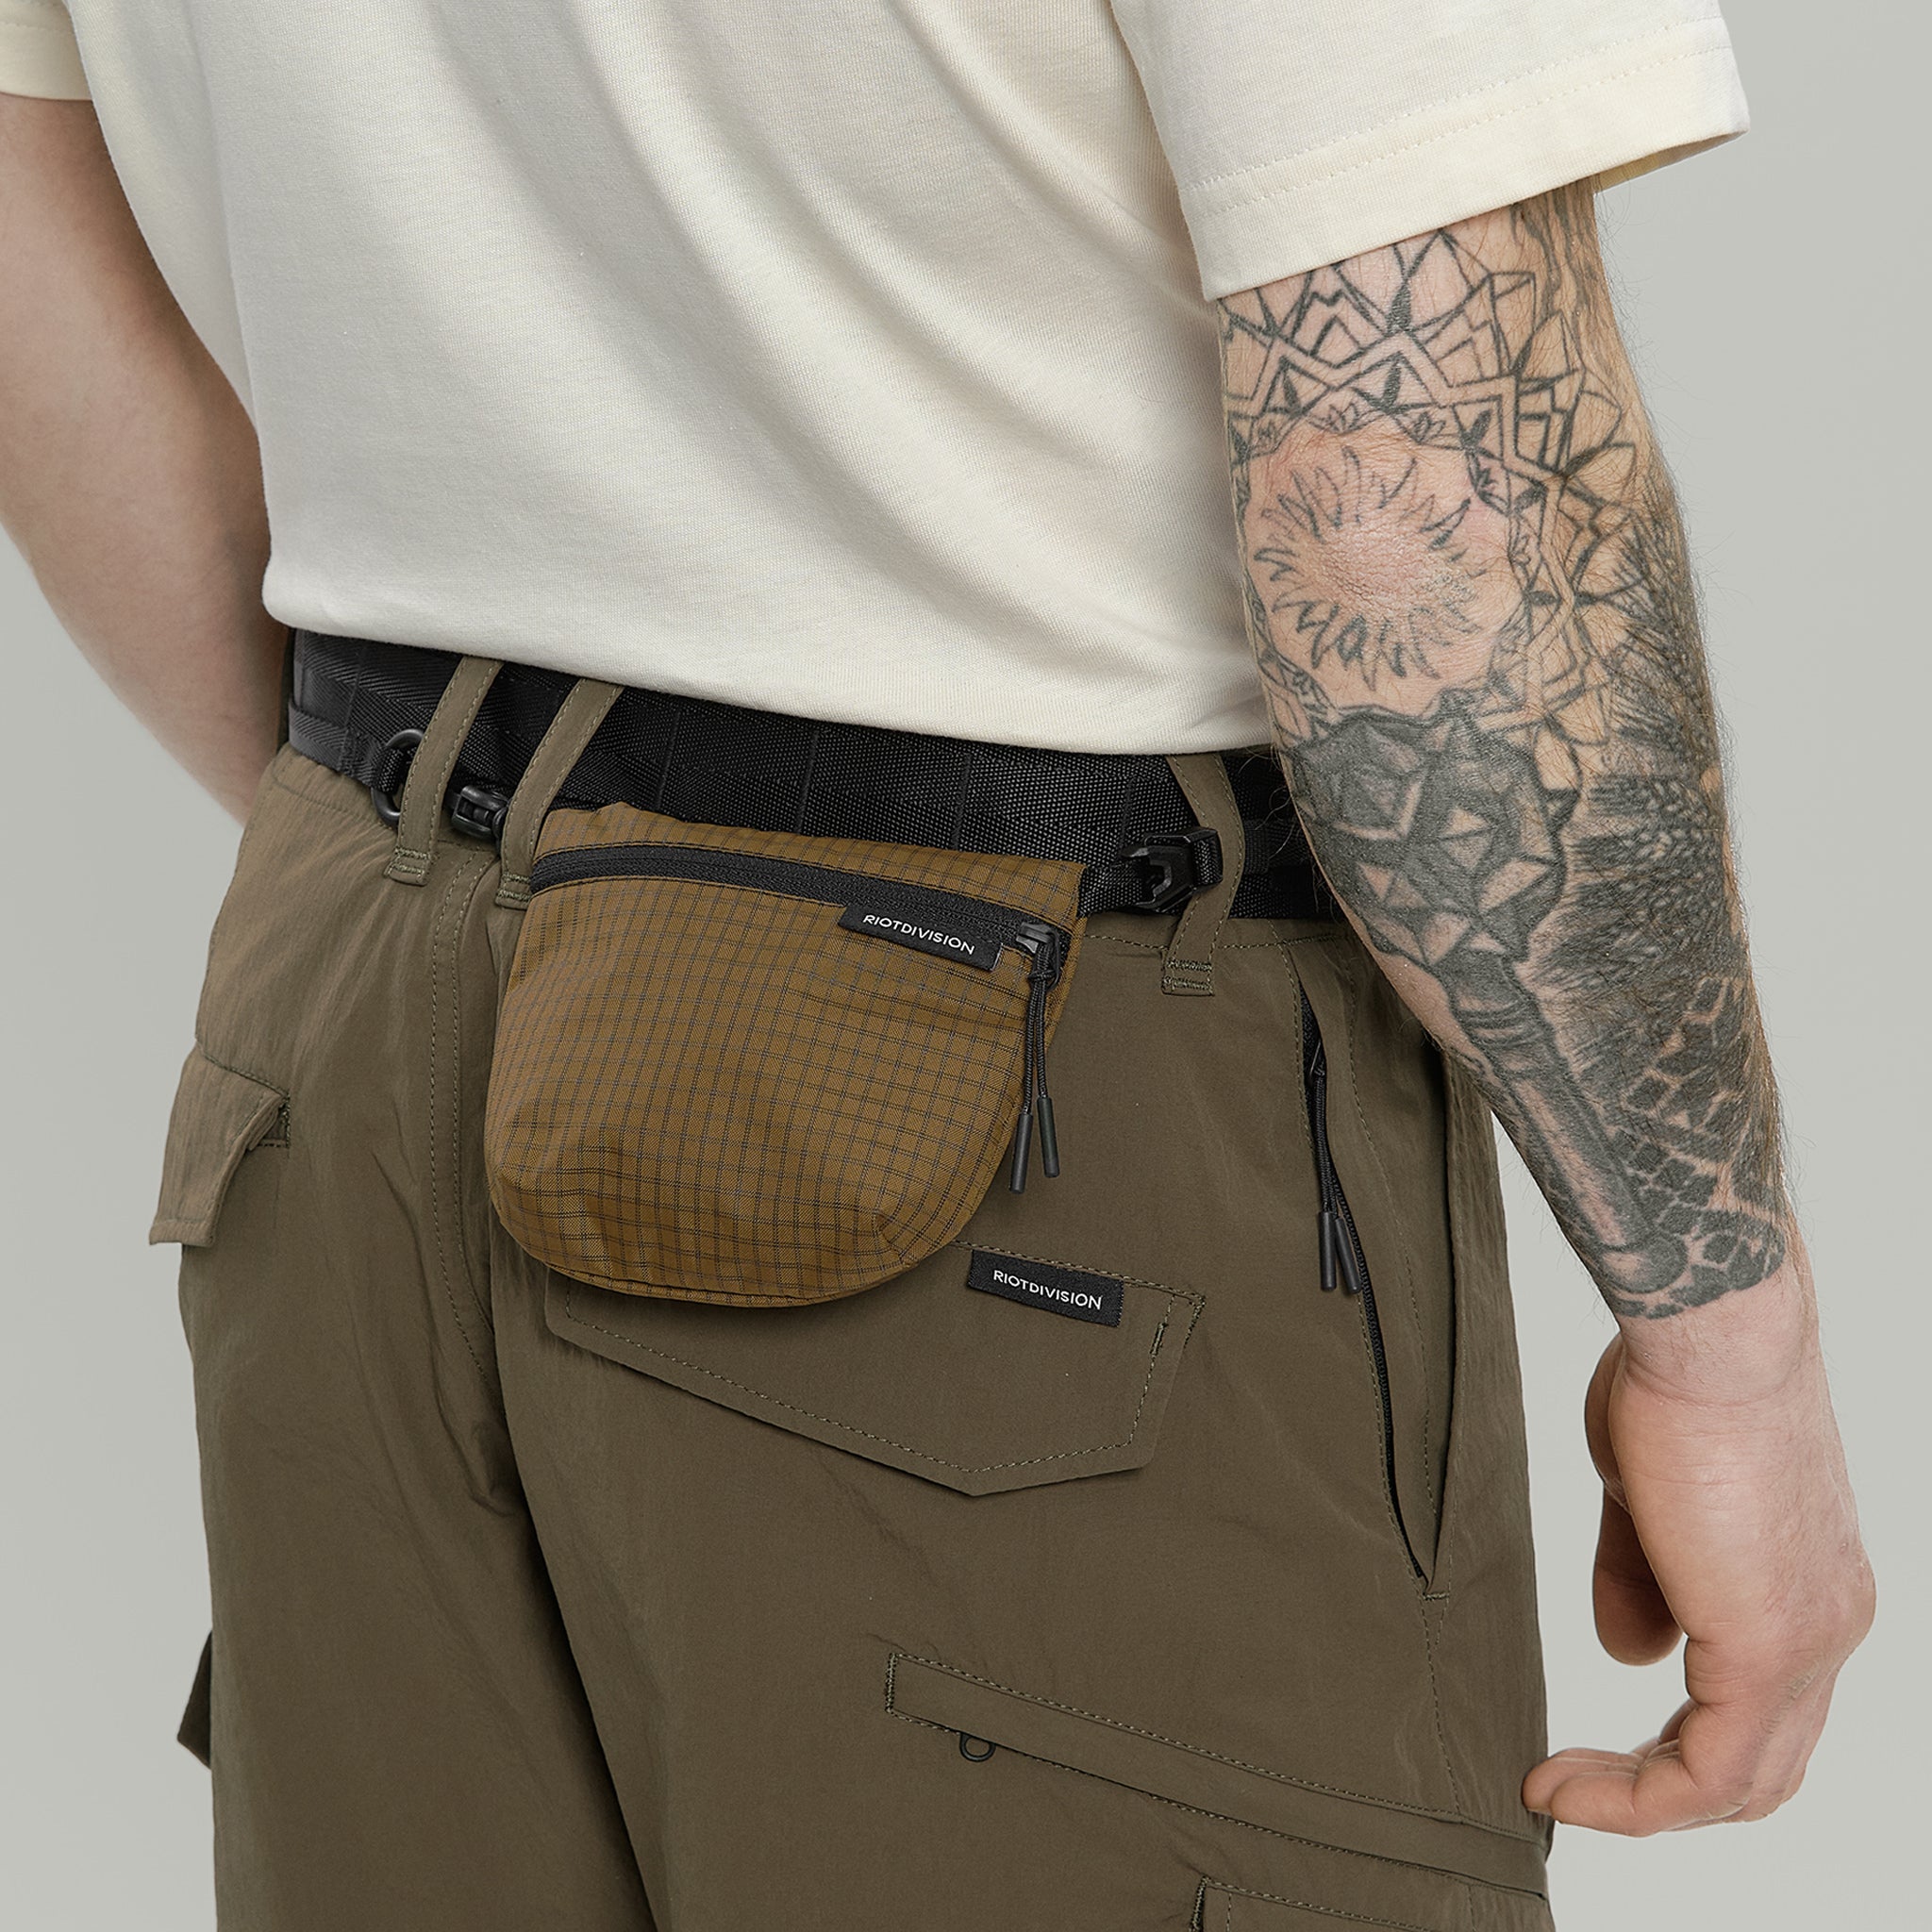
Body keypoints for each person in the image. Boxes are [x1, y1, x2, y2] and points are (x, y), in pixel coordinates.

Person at [0, 4, 1874, 1927]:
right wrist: (1723, 1349)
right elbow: (1427, 498)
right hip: (1012, 1088)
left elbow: (32, 271)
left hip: (349, 1023)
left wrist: (442, 874)